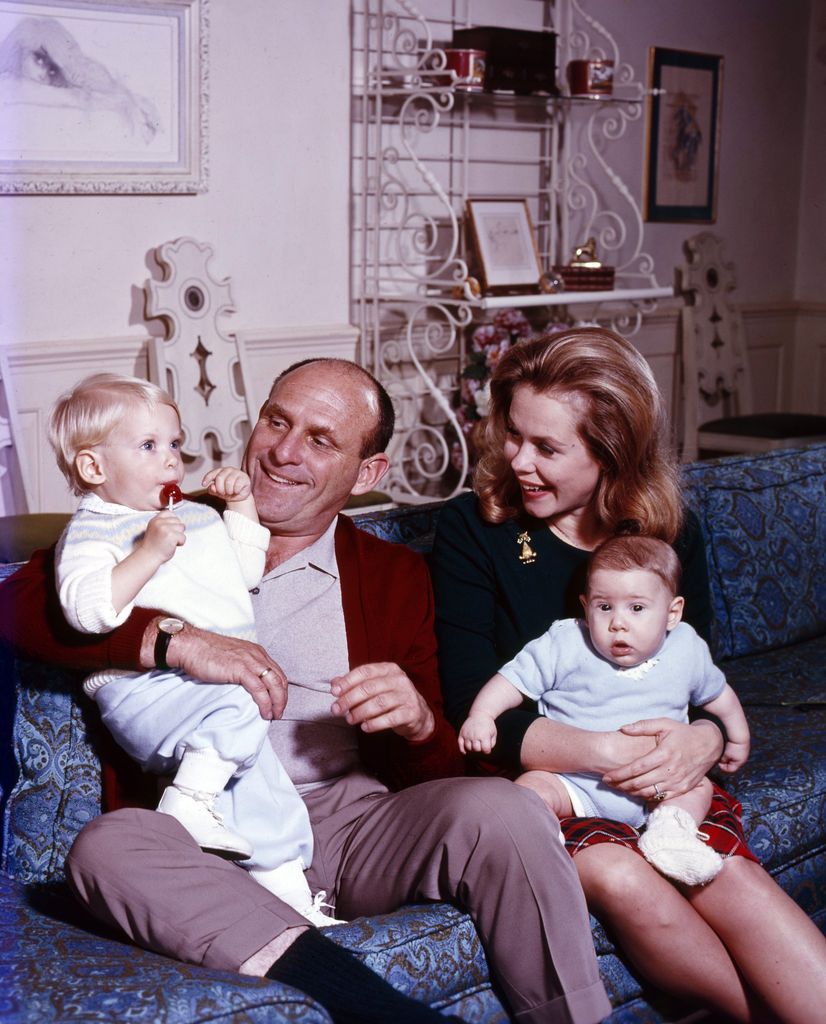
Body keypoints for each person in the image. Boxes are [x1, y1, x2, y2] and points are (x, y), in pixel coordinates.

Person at [0, 358, 611, 1024]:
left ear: (367, 473)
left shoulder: (392, 575)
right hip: (212, 835)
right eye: (276, 421)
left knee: (504, 809)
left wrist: (415, 726)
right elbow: (21, 601)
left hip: (352, 824)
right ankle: (375, 1008)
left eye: (320, 440)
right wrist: (173, 640)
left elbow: (442, 765)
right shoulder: (168, 520)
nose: (283, 452)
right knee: (105, 850)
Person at [430, 327, 826, 1023]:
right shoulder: (475, 530)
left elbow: (697, 670)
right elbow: (471, 697)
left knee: (722, 871)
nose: (518, 460)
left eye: (548, 447)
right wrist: (607, 755)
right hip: (548, 786)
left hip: (663, 773)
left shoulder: (671, 532)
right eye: (514, 435)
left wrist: (702, 742)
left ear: (612, 454)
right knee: (616, 871)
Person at [48, 373, 340, 926]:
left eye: (175, 444)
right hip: (145, 694)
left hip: (210, 698)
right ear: (94, 468)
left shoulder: (195, 515)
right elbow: (88, 611)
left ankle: (297, 909)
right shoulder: (93, 531)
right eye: (149, 446)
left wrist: (241, 507)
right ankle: (184, 806)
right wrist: (149, 553)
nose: (170, 460)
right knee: (243, 698)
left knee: (270, 798)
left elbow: (245, 571)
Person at [459, 533, 751, 887]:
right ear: (585, 606)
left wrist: (736, 737)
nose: (618, 623)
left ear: (672, 613)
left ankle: (669, 833)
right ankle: (528, 847)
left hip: (660, 787)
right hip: (576, 783)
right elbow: (512, 681)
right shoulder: (566, 643)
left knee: (698, 787)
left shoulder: (686, 647)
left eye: (637, 608)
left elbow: (718, 695)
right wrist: (482, 716)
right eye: (604, 606)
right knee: (531, 790)